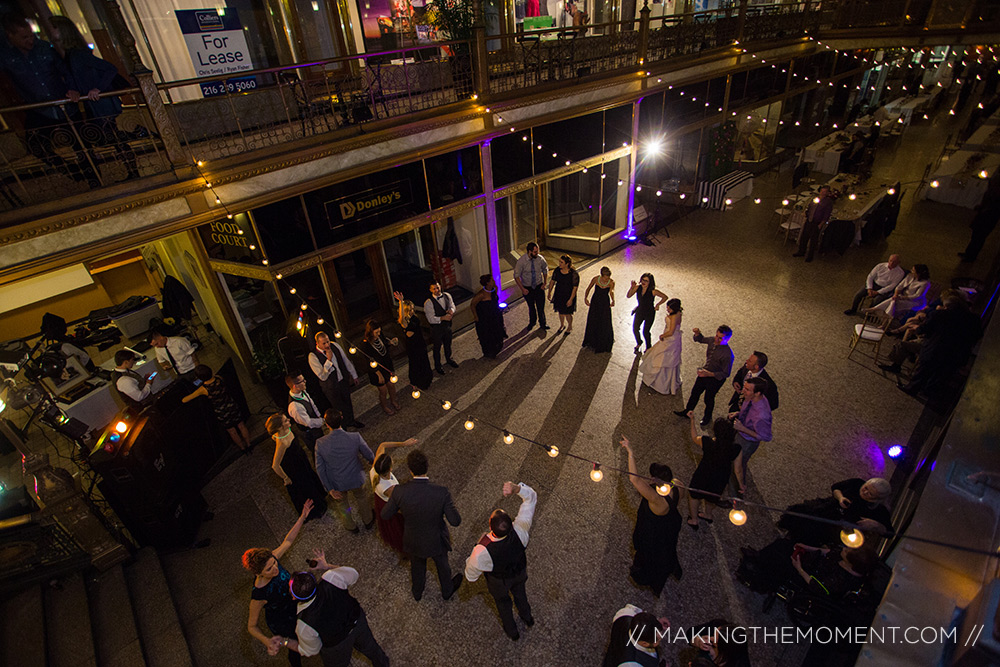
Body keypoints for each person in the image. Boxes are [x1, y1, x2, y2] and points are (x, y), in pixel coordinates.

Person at [0, 15, 100, 188]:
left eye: (31, 35)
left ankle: (94, 179)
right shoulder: (6, 56)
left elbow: (65, 70)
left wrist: (73, 88)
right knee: (36, 145)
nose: (30, 40)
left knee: (81, 143)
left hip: (64, 102)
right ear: (11, 36)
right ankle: (72, 172)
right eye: (24, 37)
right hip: (38, 108)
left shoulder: (44, 48)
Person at [49, 15, 139, 181]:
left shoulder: (78, 54)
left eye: (54, 28)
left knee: (109, 136)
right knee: (106, 136)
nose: (51, 32)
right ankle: (134, 154)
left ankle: (137, 139)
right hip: (96, 103)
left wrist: (98, 88)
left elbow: (109, 69)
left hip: (101, 103)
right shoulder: (72, 55)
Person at [381, 449, 463, 601]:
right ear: (427, 467)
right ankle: (447, 590)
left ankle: (417, 592)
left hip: (413, 539)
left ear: (410, 470)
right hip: (436, 539)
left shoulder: (399, 491)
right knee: (443, 567)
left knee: (417, 568)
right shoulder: (441, 492)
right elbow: (455, 521)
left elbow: (385, 514)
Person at [243, 500, 315, 666]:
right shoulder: (259, 595)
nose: (275, 568)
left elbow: (288, 541)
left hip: (295, 605)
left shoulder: (272, 558)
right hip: (283, 620)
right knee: (294, 647)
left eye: (274, 563)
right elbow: (251, 626)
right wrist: (266, 641)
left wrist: (302, 517)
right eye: (269, 569)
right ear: (258, 573)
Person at [464, 481, 538, 641]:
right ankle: (528, 617)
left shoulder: (481, 550)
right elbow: (531, 498)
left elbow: (471, 576)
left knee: (504, 605)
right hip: (519, 573)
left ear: (491, 528)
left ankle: (513, 632)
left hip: (499, 582)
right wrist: (516, 488)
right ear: (511, 523)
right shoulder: (520, 530)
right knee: (521, 595)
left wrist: (476, 549)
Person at [289, 556, 389, 667]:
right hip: (357, 622)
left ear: (294, 598)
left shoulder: (303, 624)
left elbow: (312, 650)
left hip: (336, 646)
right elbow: (353, 574)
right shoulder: (331, 577)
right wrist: (327, 567)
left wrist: (284, 642)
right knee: (371, 648)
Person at [620, 437, 682, 595]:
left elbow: (634, 479)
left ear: (655, 479)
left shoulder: (655, 498)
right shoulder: (678, 485)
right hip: (669, 526)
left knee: (649, 556)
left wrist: (630, 451)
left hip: (653, 532)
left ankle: (649, 577)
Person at [895, 289, 982, 396]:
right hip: (958, 353)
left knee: (924, 370)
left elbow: (925, 329)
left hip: (936, 349)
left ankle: (912, 389)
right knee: (940, 374)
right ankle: (928, 392)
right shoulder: (974, 320)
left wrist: (918, 328)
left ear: (947, 306)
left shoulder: (940, 315)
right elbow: (977, 336)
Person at [777, 477, 892, 547]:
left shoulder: (879, 511)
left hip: (837, 526)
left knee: (812, 534)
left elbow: (890, 533)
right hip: (827, 508)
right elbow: (836, 487)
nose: (865, 492)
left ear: (878, 499)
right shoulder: (857, 483)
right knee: (802, 516)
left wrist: (876, 525)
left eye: (870, 494)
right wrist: (840, 497)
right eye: (865, 488)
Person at [314, 409, 376, 534]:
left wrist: (330, 488)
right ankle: (368, 520)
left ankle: (351, 526)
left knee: (342, 504)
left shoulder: (320, 444)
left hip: (337, 482)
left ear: (327, 424)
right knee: (361, 497)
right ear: (341, 420)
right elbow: (368, 454)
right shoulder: (355, 437)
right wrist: (373, 462)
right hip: (355, 477)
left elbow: (320, 469)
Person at [265, 413, 328, 521]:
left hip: (301, 460)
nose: (288, 420)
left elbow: (274, 436)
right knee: (306, 486)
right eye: (285, 421)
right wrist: (286, 478)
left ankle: (320, 496)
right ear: (280, 427)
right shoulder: (282, 443)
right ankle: (316, 509)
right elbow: (275, 465)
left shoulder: (286, 431)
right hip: (295, 467)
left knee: (310, 478)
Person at [182, 364, 251, 453]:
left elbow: (185, 400)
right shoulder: (219, 378)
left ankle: (242, 448)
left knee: (232, 431)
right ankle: (249, 444)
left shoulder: (203, 389)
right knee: (241, 426)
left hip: (222, 412)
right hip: (232, 405)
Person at [673, 326, 734, 426]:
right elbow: (701, 339)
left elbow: (726, 373)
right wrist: (697, 334)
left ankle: (707, 417)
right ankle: (688, 410)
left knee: (708, 398)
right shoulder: (712, 340)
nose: (717, 339)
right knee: (695, 392)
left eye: (720, 338)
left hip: (715, 379)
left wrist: (709, 374)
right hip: (705, 373)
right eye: (716, 336)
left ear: (727, 339)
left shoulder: (727, 355)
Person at [686, 415, 740, 528]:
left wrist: (692, 420)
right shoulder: (735, 448)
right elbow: (738, 469)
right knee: (712, 497)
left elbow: (694, 437)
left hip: (704, 473)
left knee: (694, 495)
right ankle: (708, 515)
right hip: (720, 477)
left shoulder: (707, 442)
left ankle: (694, 519)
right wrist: (742, 484)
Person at [369, 437, 419, 555]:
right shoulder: (390, 487)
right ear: (390, 469)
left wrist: (403, 443)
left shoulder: (374, 469)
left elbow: (383, 444)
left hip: (380, 498)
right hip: (389, 504)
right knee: (400, 531)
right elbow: (398, 505)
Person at [309, 332, 363, 429]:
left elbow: (345, 360)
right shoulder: (313, 356)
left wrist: (354, 375)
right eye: (324, 343)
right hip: (330, 386)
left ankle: (351, 421)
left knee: (347, 402)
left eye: (327, 342)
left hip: (342, 380)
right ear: (317, 343)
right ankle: (343, 427)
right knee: (338, 408)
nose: (327, 345)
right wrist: (328, 360)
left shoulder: (335, 346)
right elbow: (322, 376)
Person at [729, 377, 773, 497]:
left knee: (737, 466)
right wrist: (738, 413)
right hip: (740, 432)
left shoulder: (762, 415)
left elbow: (765, 436)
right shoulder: (751, 398)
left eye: (747, 389)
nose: (743, 391)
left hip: (747, 442)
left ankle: (735, 494)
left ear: (757, 393)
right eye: (744, 387)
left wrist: (742, 428)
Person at [639, 298, 683, 395]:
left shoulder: (675, 316)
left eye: (669, 308)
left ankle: (660, 383)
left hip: (670, 339)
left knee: (662, 358)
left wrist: (662, 336)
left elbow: (671, 332)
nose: (667, 309)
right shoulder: (679, 313)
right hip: (674, 338)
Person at [602, 605, 669, 667]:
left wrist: (655, 623)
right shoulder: (631, 664)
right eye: (658, 640)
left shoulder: (626, 613)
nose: (661, 638)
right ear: (644, 643)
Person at [360, 319, 400, 416]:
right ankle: (385, 406)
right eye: (376, 332)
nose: (378, 334)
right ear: (370, 332)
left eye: (379, 331)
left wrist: (391, 342)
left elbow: (384, 347)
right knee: (383, 390)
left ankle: (393, 401)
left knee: (391, 384)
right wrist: (378, 374)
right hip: (376, 370)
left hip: (386, 364)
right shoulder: (366, 345)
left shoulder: (380, 336)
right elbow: (369, 362)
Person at [394, 292, 432, 390]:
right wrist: (401, 302)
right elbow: (401, 318)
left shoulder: (414, 317)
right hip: (413, 345)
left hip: (420, 341)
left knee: (423, 360)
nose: (411, 311)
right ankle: (416, 382)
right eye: (409, 309)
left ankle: (426, 380)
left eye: (412, 309)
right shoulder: (405, 322)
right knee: (415, 363)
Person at [959, 174, 1000, 262]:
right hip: (985, 213)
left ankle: (971, 256)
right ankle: (968, 252)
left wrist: (985, 209)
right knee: (976, 234)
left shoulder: (996, 195)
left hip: (989, 215)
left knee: (979, 236)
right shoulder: (992, 191)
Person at [866, 264, 931, 320]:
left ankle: (875, 310)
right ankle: (883, 320)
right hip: (902, 296)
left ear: (918, 273)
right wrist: (896, 294)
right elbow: (899, 286)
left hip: (914, 301)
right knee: (893, 300)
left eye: (913, 270)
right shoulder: (910, 276)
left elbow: (917, 296)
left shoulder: (925, 283)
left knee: (893, 302)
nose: (911, 271)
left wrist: (902, 297)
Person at [626, 273, 668, 354]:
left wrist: (658, 305)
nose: (644, 282)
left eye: (646, 281)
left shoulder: (653, 291)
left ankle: (648, 346)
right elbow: (628, 295)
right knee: (635, 328)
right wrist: (631, 288)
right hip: (640, 311)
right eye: (643, 280)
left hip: (649, 312)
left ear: (650, 282)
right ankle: (639, 342)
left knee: (646, 331)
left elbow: (665, 297)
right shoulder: (638, 288)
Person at [679, 620, 751, 667]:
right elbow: (690, 633)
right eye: (713, 634)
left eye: (715, 641)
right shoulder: (718, 626)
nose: (710, 638)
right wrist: (697, 641)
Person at [424, 281, 459, 374]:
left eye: (438, 288)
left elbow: (452, 305)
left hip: (447, 326)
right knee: (437, 348)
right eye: (434, 289)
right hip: (437, 329)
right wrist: (443, 318)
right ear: (430, 290)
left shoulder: (447, 295)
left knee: (448, 344)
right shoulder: (429, 303)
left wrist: (451, 310)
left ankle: (449, 359)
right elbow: (431, 319)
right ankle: (438, 366)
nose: (437, 290)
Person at [513, 242, 549, 331]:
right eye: (535, 252)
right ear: (529, 251)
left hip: (538, 286)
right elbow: (516, 276)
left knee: (541, 307)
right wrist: (522, 289)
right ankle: (532, 322)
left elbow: (545, 270)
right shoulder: (521, 261)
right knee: (531, 307)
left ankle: (543, 324)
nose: (537, 254)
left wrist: (545, 283)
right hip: (527, 288)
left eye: (537, 251)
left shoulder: (540, 259)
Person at [793, 186, 834, 262]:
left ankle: (810, 256)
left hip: (817, 223)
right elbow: (809, 207)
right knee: (804, 237)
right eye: (822, 191)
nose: (823, 193)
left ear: (828, 193)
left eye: (825, 191)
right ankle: (801, 252)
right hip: (809, 221)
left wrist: (821, 224)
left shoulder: (828, 202)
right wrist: (806, 213)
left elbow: (826, 215)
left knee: (813, 240)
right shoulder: (815, 198)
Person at [286, 374, 326, 453]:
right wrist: (324, 421)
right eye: (302, 381)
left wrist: (319, 416)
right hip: (310, 433)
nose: (305, 381)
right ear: (295, 386)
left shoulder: (302, 391)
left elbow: (312, 404)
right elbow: (308, 423)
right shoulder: (295, 406)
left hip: (316, 426)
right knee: (317, 451)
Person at [470, 274, 507, 358]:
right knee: (488, 335)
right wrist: (476, 316)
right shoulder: (481, 295)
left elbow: (495, 300)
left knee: (497, 332)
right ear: (487, 283)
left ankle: (496, 348)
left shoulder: (495, 289)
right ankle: (489, 352)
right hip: (485, 318)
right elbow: (472, 305)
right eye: (492, 280)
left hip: (495, 315)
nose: (493, 281)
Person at [582, 266, 616, 352]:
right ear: (601, 275)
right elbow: (588, 288)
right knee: (593, 319)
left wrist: (613, 300)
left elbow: (611, 291)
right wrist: (586, 298)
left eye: (607, 278)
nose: (605, 280)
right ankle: (591, 340)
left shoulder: (611, 282)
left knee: (604, 321)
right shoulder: (596, 279)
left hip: (604, 303)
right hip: (595, 302)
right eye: (604, 278)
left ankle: (603, 342)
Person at [547, 255, 580, 335]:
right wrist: (549, 292)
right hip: (559, 293)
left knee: (568, 313)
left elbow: (575, 288)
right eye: (559, 261)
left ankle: (570, 326)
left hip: (568, 295)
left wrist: (571, 299)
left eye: (561, 262)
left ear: (567, 264)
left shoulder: (573, 274)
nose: (559, 263)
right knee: (560, 311)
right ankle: (562, 325)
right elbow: (552, 281)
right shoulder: (557, 270)